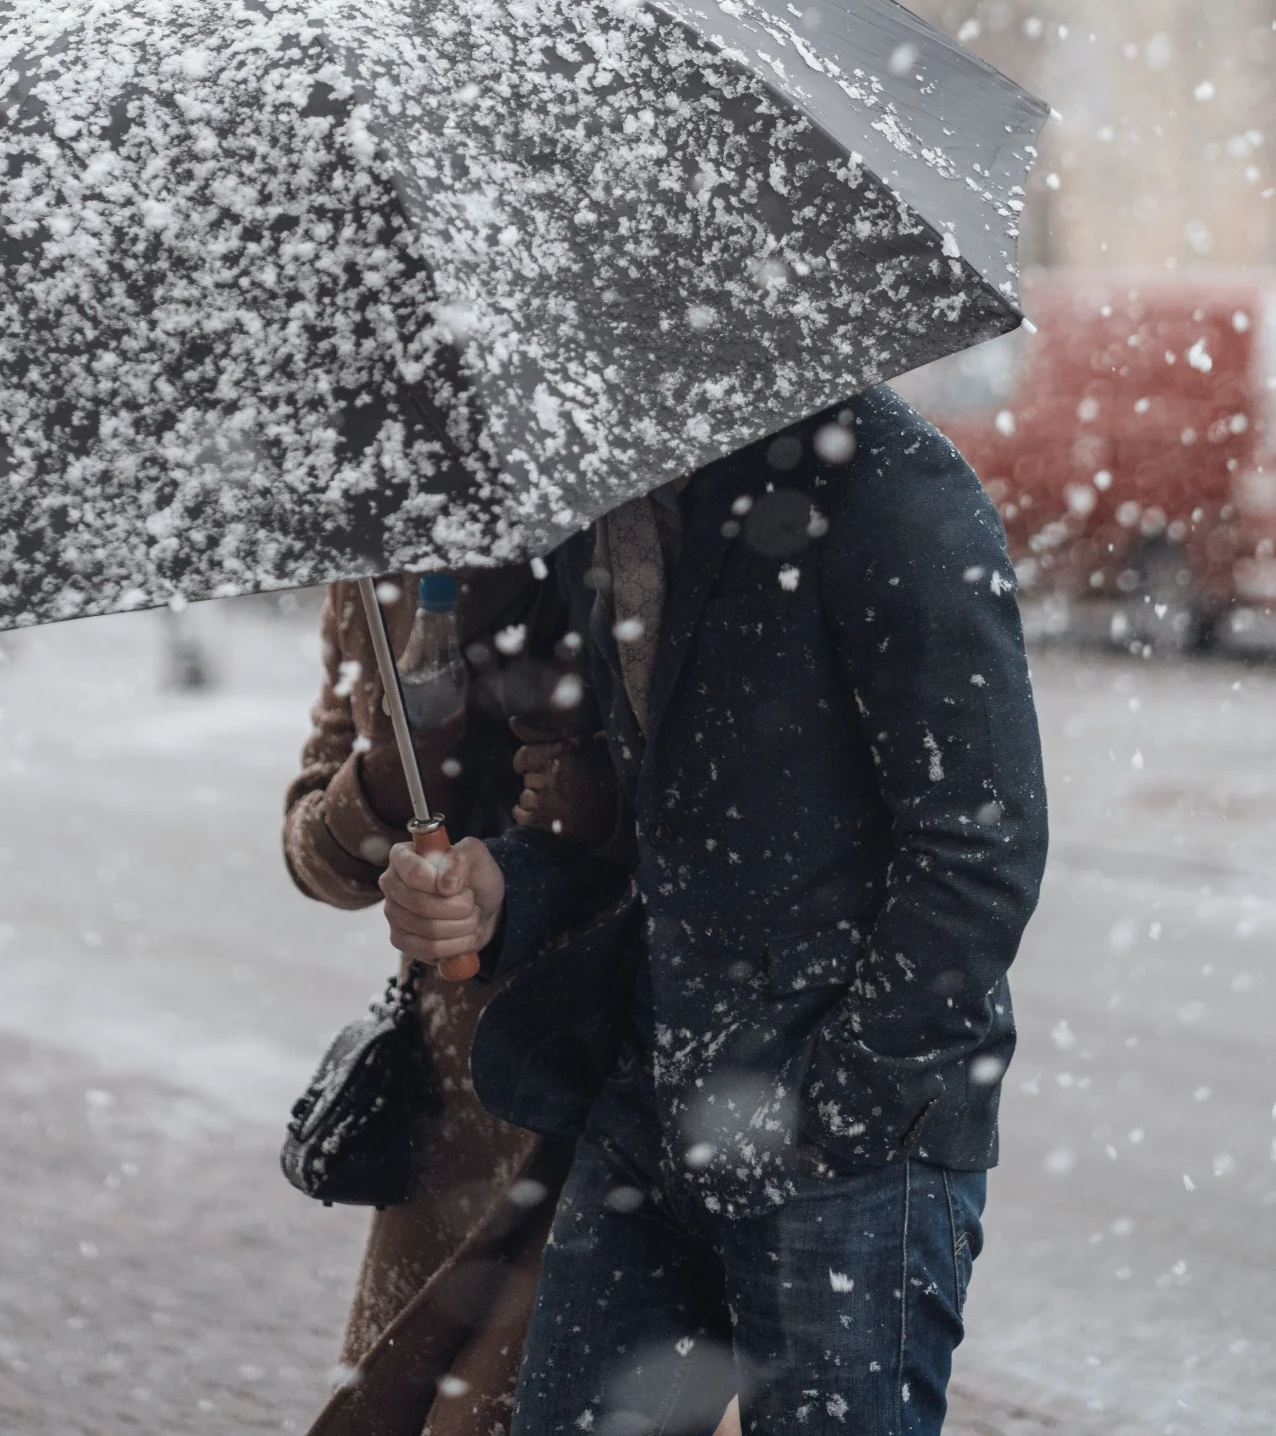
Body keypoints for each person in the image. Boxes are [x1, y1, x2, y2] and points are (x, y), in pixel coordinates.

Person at [376, 387, 1050, 1436]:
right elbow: (655, 838)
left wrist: (841, 1105)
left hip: (848, 1142)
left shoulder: (888, 484)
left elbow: (982, 846)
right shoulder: (621, 505)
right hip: (655, 1108)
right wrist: (504, 887)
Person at [283, 565, 618, 1436]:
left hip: (605, 1051)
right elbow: (314, 853)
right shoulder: (368, 573)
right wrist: (395, 774)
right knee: (405, 1396)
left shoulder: (612, 532)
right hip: (454, 1089)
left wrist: (584, 803)